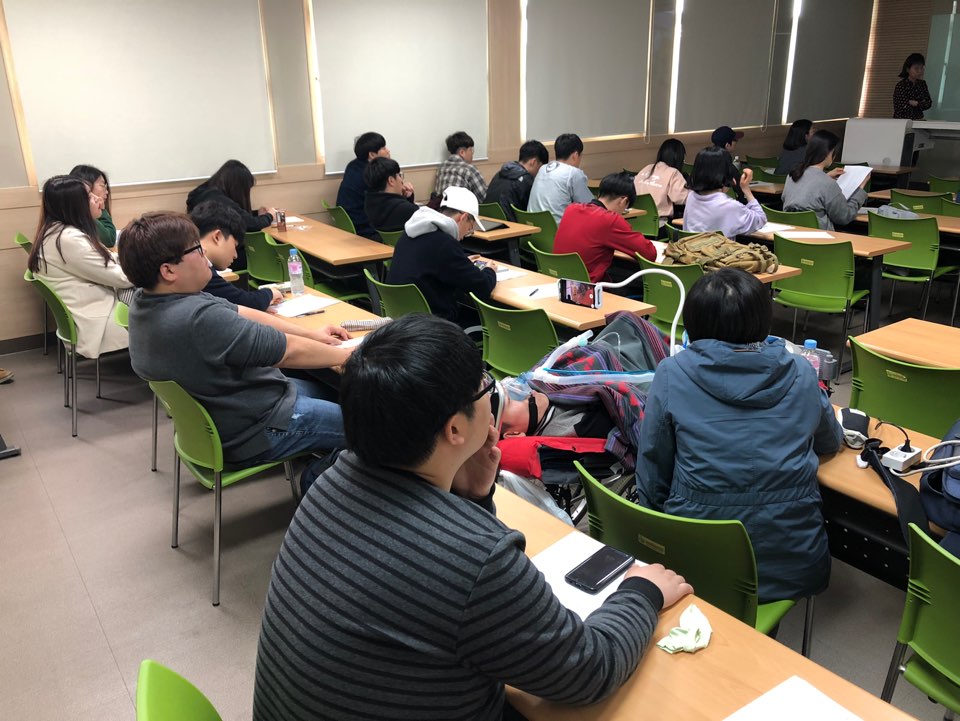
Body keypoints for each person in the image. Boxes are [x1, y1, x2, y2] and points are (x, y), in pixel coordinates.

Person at [252, 313, 693, 721]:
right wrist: (642, 592)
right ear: (454, 429)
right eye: (485, 386)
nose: (495, 394)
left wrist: (474, 497)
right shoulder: (477, 560)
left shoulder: (331, 479)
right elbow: (588, 672)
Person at [636, 269, 842, 602]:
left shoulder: (671, 374)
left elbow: (653, 472)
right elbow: (830, 441)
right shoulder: (802, 372)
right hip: (795, 562)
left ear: (693, 323)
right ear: (764, 320)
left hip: (697, 563)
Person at [118, 212, 351, 467]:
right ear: (169, 270)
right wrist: (348, 355)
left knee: (336, 392)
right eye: (197, 249)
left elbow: (242, 312)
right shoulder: (197, 318)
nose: (206, 257)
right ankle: (327, 472)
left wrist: (311, 334)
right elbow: (288, 352)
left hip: (234, 414)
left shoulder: (147, 300)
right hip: (256, 429)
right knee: (369, 425)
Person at [27, 175, 132, 359]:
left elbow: (107, 259)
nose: (98, 198)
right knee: (163, 297)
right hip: (99, 317)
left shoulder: (56, 231)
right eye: (90, 196)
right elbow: (122, 278)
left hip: (95, 305)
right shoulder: (70, 240)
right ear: (75, 205)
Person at [387, 186, 498, 324]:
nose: (465, 236)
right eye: (469, 229)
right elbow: (483, 287)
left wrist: (461, 262)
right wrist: (489, 270)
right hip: (434, 325)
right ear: (463, 217)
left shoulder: (410, 232)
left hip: (401, 320)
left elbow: (433, 263)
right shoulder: (445, 243)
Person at [553, 172, 656, 283]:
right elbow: (650, 253)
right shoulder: (610, 220)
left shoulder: (571, 209)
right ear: (623, 201)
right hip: (586, 288)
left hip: (558, 281)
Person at [189, 201, 282, 311]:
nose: (235, 255)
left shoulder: (190, 256)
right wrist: (270, 293)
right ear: (217, 237)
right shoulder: (200, 269)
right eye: (235, 246)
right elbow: (245, 302)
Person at [186, 160, 278, 269]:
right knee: (270, 252)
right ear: (238, 186)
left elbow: (238, 215)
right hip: (223, 257)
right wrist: (270, 215)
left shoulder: (203, 193)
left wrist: (257, 214)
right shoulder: (219, 200)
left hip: (203, 251)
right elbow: (250, 225)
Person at [782, 130, 870, 231]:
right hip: (819, 237)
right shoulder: (827, 183)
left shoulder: (792, 176)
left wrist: (826, 176)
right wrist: (860, 189)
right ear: (828, 153)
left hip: (790, 234)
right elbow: (844, 217)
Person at [683, 146, 766, 238]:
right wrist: (746, 189)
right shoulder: (730, 206)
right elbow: (760, 219)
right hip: (719, 247)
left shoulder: (691, 197)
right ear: (726, 172)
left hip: (691, 247)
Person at [336, 132, 404, 239]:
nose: (388, 151)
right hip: (365, 228)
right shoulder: (372, 174)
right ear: (372, 154)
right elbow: (388, 204)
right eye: (383, 148)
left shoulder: (353, 166)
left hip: (352, 222)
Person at [528, 133, 594, 224]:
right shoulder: (573, 173)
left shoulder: (543, 169)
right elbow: (591, 207)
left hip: (534, 228)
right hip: (558, 230)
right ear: (575, 155)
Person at [484, 139, 549, 221]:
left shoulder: (499, 173)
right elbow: (532, 211)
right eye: (541, 167)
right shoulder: (527, 180)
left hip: (487, 223)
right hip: (509, 226)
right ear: (533, 162)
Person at [634, 138, 688, 222]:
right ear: (679, 158)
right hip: (659, 223)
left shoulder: (647, 168)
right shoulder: (673, 173)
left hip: (638, 220)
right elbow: (682, 198)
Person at [362, 156, 418, 233]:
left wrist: (407, 198)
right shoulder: (406, 209)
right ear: (391, 180)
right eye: (399, 175)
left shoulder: (369, 203)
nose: (401, 180)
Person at [69, 164, 117, 248]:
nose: (107, 192)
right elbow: (109, 239)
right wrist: (102, 210)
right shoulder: (80, 217)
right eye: (103, 186)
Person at [433, 131, 487, 201]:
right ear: (462, 152)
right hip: (462, 207)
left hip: (442, 207)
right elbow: (484, 197)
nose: (472, 153)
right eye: (471, 150)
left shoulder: (441, 167)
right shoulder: (469, 169)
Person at [893, 53, 932, 120]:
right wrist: (920, 103)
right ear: (908, 69)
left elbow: (928, 103)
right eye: (916, 68)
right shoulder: (901, 85)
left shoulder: (922, 84)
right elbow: (902, 107)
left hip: (918, 120)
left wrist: (916, 103)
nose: (920, 71)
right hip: (902, 121)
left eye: (922, 68)